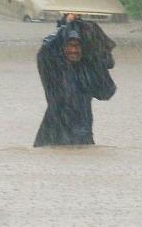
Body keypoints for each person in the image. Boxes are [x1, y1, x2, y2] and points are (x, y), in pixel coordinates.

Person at [34, 14, 117, 146]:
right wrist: (64, 26)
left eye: (77, 46)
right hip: (53, 134)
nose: (73, 50)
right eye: (69, 46)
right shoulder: (53, 68)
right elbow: (46, 50)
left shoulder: (88, 69)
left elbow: (107, 92)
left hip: (82, 134)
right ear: (62, 47)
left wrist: (95, 54)